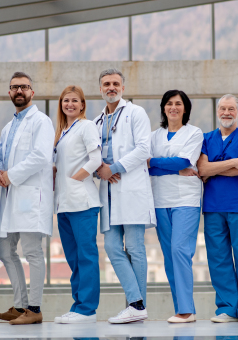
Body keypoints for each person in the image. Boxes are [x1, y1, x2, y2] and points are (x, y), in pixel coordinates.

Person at [93, 68, 156, 324]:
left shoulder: (135, 113)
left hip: (130, 186)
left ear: (123, 87)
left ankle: (136, 305)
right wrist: (100, 170)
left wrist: (114, 168)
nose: (111, 87)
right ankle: (136, 303)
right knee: (110, 246)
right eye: (106, 83)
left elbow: (144, 148)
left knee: (135, 248)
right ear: (100, 89)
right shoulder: (97, 121)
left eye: (115, 83)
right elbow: (93, 153)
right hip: (108, 190)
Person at [0, 72, 54, 325]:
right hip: (11, 193)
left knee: (31, 251)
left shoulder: (41, 121)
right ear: (9, 92)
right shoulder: (9, 127)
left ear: (32, 92)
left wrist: (10, 175)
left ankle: (35, 308)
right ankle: (19, 306)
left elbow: (41, 156)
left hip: (29, 195)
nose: (19, 91)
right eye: (15, 87)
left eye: (24, 87)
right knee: (4, 248)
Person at [197, 94, 238, 323]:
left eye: (231, 108)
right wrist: (233, 162)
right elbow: (201, 168)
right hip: (213, 207)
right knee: (218, 258)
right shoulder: (206, 138)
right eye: (223, 108)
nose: (226, 112)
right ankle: (226, 308)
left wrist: (213, 168)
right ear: (217, 112)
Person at [148, 90, 203, 324]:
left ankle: (187, 310)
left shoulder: (194, 133)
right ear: (163, 108)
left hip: (186, 200)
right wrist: (169, 165)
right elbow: (146, 166)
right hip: (160, 201)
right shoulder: (153, 136)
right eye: (169, 103)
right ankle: (180, 308)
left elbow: (183, 162)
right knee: (170, 256)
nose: (173, 107)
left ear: (185, 108)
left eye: (178, 104)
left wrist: (158, 163)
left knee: (181, 250)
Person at [52, 86, 102, 324]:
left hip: (82, 203)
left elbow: (96, 159)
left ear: (82, 105)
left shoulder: (86, 126)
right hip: (64, 204)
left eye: (75, 101)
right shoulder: (62, 132)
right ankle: (78, 305)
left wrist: (74, 178)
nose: (69, 104)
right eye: (65, 100)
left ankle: (87, 309)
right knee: (73, 258)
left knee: (86, 256)